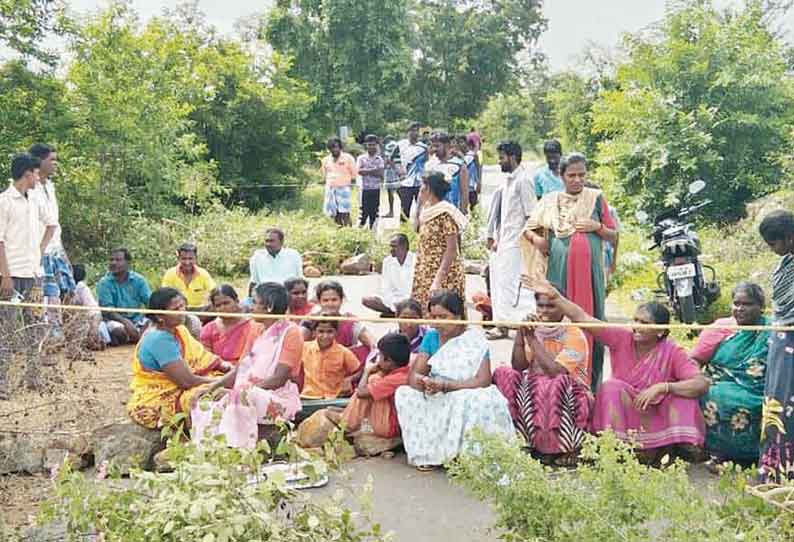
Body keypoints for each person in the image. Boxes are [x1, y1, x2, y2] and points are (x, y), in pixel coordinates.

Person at [537, 280, 710, 463]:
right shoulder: (622, 337)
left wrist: (664, 387)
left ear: (660, 331)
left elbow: (701, 383)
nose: (636, 325)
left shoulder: (672, 351)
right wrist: (556, 297)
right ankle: (616, 447)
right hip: (625, 411)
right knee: (611, 387)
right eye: (635, 320)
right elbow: (585, 319)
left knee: (683, 396)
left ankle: (666, 448)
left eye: (644, 322)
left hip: (655, 413)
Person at [521, 153, 617, 390]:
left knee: (590, 325)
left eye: (582, 175)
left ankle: (590, 388)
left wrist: (598, 227)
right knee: (556, 322)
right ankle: (550, 382)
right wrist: (538, 241)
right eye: (572, 175)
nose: (577, 180)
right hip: (558, 274)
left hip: (588, 277)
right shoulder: (550, 200)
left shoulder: (595, 199)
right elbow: (528, 229)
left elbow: (614, 236)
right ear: (561, 176)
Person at [394, 291, 514, 470]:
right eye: (433, 317)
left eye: (443, 316)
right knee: (404, 394)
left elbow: (483, 381)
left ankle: (466, 457)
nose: (437, 322)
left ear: (459, 316)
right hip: (436, 391)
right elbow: (414, 376)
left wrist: (447, 386)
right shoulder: (432, 337)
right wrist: (425, 382)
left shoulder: (474, 340)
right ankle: (430, 454)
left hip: (463, 390)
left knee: (480, 399)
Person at [191, 282, 304, 449]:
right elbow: (241, 369)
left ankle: (239, 449)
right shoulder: (256, 328)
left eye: (255, 302)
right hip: (249, 391)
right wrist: (211, 387)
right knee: (204, 401)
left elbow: (279, 379)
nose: (250, 306)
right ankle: (209, 450)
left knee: (239, 396)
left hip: (278, 396)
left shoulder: (291, 332)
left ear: (269, 306)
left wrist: (238, 391)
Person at [493, 292, 592, 464]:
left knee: (551, 384)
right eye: (541, 306)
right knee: (504, 374)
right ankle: (522, 441)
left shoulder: (574, 335)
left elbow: (554, 371)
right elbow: (518, 366)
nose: (544, 311)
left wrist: (531, 338)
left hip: (569, 395)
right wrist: (520, 334)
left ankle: (560, 448)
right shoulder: (536, 330)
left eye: (551, 306)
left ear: (562, 307)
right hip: (536, 389)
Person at [690, 282, 769, 465]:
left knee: (761, 404)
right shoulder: (721, 327)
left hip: (757, 388)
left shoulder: (772, 330)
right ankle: (716, 451)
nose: (740, 309)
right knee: (715, 395)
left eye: (747, 304)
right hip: (718, 382)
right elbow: (694, 360)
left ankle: (752, 456)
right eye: (736, 303)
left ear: (761, 307)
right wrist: (696, 379)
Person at [127, 288, 228, 429]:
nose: (183, 311)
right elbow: (186, 381)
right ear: (160, 316)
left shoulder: (179, 329)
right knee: (212, 396)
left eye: (182, 306)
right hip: (163, 393)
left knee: (230, 381)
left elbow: (201, 357)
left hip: (187, 382)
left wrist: (224, 366)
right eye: (176, 308)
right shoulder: (159, 339)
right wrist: (221, 381)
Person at [0, 153, 57, 397]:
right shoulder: (5, 201)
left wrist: (39, 251)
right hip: (11, 273)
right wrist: (5, 275)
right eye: (35, 173)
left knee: (34, 326)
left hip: (33, 273)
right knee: (7, 329)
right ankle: (2, 381)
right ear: (27, 174)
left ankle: (33, 377)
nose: (37, 177)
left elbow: (51, 224)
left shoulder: (35, 199)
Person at [487, 141, 537, 340]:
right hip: (505, 242)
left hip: (517, 245)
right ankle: (502, 324)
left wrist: (524, 242)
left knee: (512, 286)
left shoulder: (523, 181)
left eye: (502, 157)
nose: (499, 162)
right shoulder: (508, 180)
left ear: (513, 156)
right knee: (500, 284)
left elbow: (530, 216)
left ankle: (516, 326)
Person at [758, 210, 794, 482]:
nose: (773, 251)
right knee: (777, 405)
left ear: (789, 237)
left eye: (773, 244)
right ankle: (775, 471)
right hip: (781, 341)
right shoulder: (785, 266)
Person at [327, 333, 411, 439]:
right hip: (391, 422)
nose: (378, 359)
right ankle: (348, 414)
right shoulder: (404, 372)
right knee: (375, 382)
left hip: (389, 427)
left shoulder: (395, 379)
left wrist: (367, 371)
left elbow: (361, 393)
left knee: (372, 381)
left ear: (388, 361)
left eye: (380, 355)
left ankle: (347, 422)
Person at [411, 172, 467, 311]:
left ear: (428, 189)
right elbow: (416, 228)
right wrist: (418, 207)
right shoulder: (427, 212)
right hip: (426, 271)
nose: (419, 189)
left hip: (444, 274)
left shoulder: (445, 213)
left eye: (422, 186)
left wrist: (438, 280)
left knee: (444, 313)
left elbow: (451, 249)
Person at [29, 144, 74, 310]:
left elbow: (55, 223)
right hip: (40, 251)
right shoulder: (30, 189)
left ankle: (63, 334)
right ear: (39, 161)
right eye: (52, 160)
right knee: (46, 299)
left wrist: (63, 253)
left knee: (68, 292)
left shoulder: (50, 186)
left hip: (56, 251)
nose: (55, 163)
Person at [96, 248, 152, 345]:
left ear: (128, 263)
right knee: (119, 331)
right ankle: (136, 337)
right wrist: (125, 322)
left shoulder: (139, 280)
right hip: (116, 320)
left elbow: (150, 302)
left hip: (137, 319)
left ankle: (135, 337)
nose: (113, 263)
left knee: (154, 324)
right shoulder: (104, 283)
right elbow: (108, 310)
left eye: (118, 260)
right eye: (111, 260)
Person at [302, 280, 374, 353]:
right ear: (319, 302)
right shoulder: (311, 319)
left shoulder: (350, 321)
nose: (330, 304)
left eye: (334, 300)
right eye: (325, 300)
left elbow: (371, 342)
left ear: (341, 300)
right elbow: (299, 342)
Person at [160, 243, 215, 336]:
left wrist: (211, 302)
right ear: (179, 259)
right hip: (178, 309)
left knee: (217, 308)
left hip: (199, 310)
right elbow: (164, 296)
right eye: (184, 259)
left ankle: (199, 326)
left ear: (196, 259)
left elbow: (214, 292)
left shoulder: (203, 273)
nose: (187, 262)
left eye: (190, 259)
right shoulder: (170, 273)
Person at [300, 318, 362, 399]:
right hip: (308, 396)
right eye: (321, 331)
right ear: (314, 333)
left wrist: (349, 379)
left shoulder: (343, 352)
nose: (325, 336)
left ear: (336, 333)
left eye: (329, 332)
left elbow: (360, 370)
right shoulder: (304, 348)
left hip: (334, 397)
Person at [362, 233, 415, 318]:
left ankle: (400, 313)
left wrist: (406, 300)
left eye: (394, 246)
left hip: (412, 300)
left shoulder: (416, 260)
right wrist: (393, 302)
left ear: (404, 247)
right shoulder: (387, 261)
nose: (391, 249)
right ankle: (399, 313)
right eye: (390, 246)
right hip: (394, 300)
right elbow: (385, 287)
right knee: (367, 300)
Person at [200, 285, 256, 364]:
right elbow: (207, 359)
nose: (223, 308)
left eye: (226, 303)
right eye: (218, 305)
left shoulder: (253, 326)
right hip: (216, 371)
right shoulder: (209, 329)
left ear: (236, 301)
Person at [248, 228, 303, 297]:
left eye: (272, 241)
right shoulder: (257, 257)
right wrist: (249, 299)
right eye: (266, 241)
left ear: (281, 242)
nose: (268, 244)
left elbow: (300, 279)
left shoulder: (293, 255)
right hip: (266, 296)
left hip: (288, 295)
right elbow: (254, 281)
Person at [71, 263, 111, 349]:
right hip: (67, 326)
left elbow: (95, 312)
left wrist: (94, 328)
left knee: (98, 328)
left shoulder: (80, 287)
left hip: (81, 323)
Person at [427, 132, 468, 214]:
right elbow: (424, 191)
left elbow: (464, 193)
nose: (434, 149)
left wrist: (463, 213)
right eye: (432, 146)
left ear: (446, 146)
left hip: (452, 212)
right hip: (433, 213)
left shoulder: (459, 165)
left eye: (437, 146)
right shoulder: (430, 165)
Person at [322, 137, 358, 227]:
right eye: (332, 147)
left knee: (345, 212)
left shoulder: (348, 158)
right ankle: (339, 232)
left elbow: (354, 173)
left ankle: (349, 232)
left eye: (336, 147)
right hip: (330, 189)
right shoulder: (325, 160)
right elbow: (324, 175)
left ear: (340, 147)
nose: (334, 149)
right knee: (334, 214)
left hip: (343, 189)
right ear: (329, 149)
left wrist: (350, 182)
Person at [397, 122, 429, 222]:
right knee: (404, 209)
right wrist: (398, 170)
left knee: (422, 208)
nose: (414, 133)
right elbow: (391, 158)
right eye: (412, 130)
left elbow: (427, 161)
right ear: (408, 132)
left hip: (419, 182)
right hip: (405, 182)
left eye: (416, 131)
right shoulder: (401, 145)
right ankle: (403, 230)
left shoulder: (423, 147)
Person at [356, 134, 385, 230]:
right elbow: (359, 171)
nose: (371, 147)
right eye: (369, 145)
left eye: (373, 144)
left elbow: (380, 173)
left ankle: (373, 232)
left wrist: (367, 171)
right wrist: (374, 170)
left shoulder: (379, 159)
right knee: (364, 212)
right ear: (366, 145)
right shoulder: (361, 158)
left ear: (376, 145)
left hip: (375, 188)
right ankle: (360, 232)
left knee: (374, 212)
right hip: (364, 189)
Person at [382, 135, 401, 218]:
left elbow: (388, 159)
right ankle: (403, 210)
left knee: (390, 192)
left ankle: (391, 211)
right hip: (399, 167)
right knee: (401, 191)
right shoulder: (398, 144)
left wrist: (384, 167)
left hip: (391, 169)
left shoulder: (389, 145)